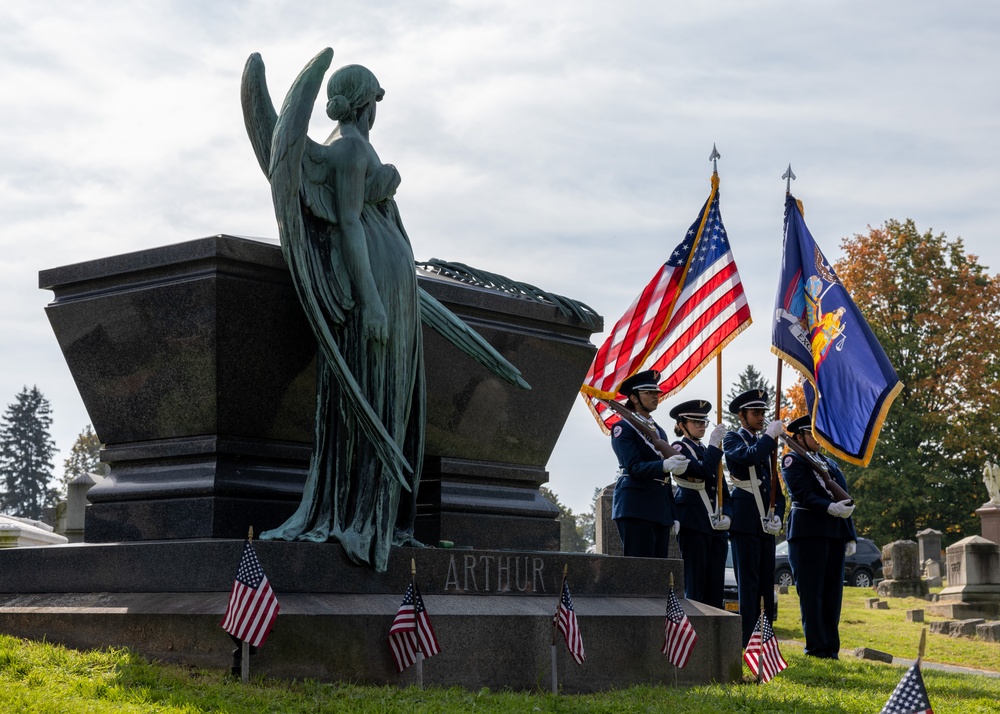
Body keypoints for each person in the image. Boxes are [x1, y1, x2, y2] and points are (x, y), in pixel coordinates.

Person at [780, 415, 857, 659]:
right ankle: (815, 648)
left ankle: (831, 649)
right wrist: (828, 508)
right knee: (812, 593)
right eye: (813, 433)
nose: (819, 439)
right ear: (800, 436)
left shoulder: (829, 463)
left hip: (833, 533)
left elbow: (844, 499)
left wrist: (850, 535)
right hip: (808, 533)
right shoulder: (793, 459)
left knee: (833, 594)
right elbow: (801, 494)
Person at [723, 388, 786, 647]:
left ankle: (766, 642)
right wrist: (770, 438)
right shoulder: (732, 439)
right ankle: (748, 641)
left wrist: (779, 516)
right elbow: (748, 457)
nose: (761, 417)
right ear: (742, 416)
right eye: (755, 413)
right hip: (745, 520)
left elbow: (776, 491)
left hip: (764, 525)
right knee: (747, 587)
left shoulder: (766, 445)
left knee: (765, 587)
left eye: (763, 413)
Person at [610, 370, 689, 558]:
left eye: (656, 393)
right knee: (640, 574)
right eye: (649, 393)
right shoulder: (623, 428)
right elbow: (633, 467)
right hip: (636, 506)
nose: (655, 397)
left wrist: (673, 512)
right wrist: (663, 466)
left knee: (659, 575)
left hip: (659, 509)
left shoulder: (658, 431)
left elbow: (666, 479)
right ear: (634, 398)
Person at [669, 399, 731, 609]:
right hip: (694, 522)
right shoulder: (678, 447)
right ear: (681, 424)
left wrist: (728, 515)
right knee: (695, 588)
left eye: (704, 422)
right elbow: (702, 472)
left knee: (715, 588)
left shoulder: (707, 450)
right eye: (696, 422)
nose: (702, 426)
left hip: (716, 526)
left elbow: (723, 489)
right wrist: (714, 445)